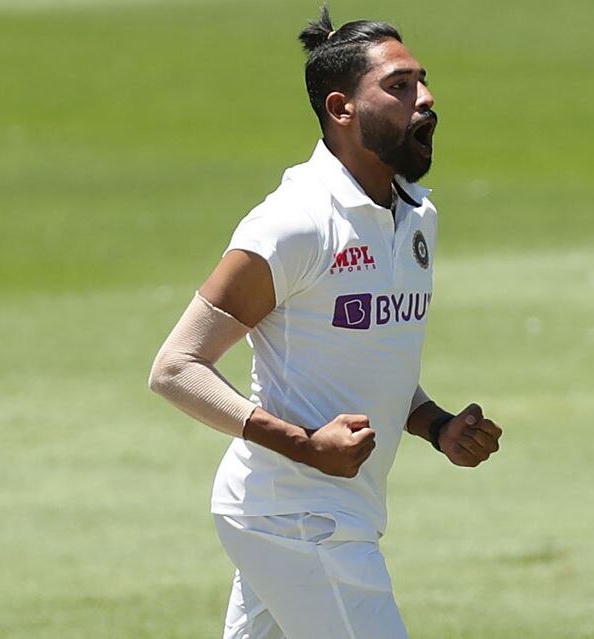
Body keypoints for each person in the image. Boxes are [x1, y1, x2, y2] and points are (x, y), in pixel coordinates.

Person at [149, 7, 502, 638]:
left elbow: (368, 363)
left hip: (328, 513)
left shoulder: (417, 216)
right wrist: (304, 445)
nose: (426, 100)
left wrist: (437, 425)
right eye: (399, 87)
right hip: (299, 518)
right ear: (342, 108)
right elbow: (176, 368)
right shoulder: (296, 223)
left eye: (422, 81)